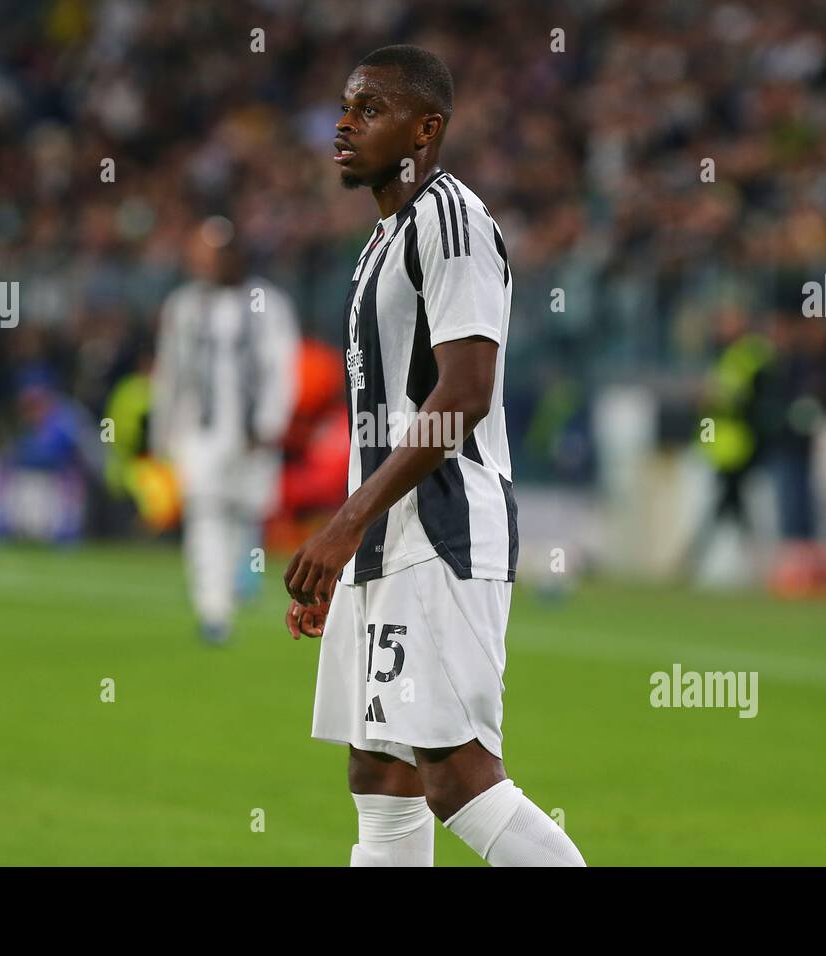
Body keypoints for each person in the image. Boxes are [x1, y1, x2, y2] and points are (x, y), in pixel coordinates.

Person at [283, 45, 585, 866]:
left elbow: (463, 395)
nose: (345, 123)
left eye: (371, 109)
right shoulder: (386, 238)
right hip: (386, 540)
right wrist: (354, 552)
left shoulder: (450, 221)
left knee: (458, 777)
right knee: (379, 774)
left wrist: (345, 525)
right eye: (345, 106)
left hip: (445, 531)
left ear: (428, 128)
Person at [152, 216, 298, 644]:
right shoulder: (183, 306)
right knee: (205, 511)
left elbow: (280, 369)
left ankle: (236, 581)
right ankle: (212, 608)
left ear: (235, 256)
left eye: (213, 254)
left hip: (252, 433)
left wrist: (271, 422)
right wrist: (164, 431)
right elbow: (170, 373)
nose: (205, 264)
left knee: (245, 511)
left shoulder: (267, 303)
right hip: (200, 432)